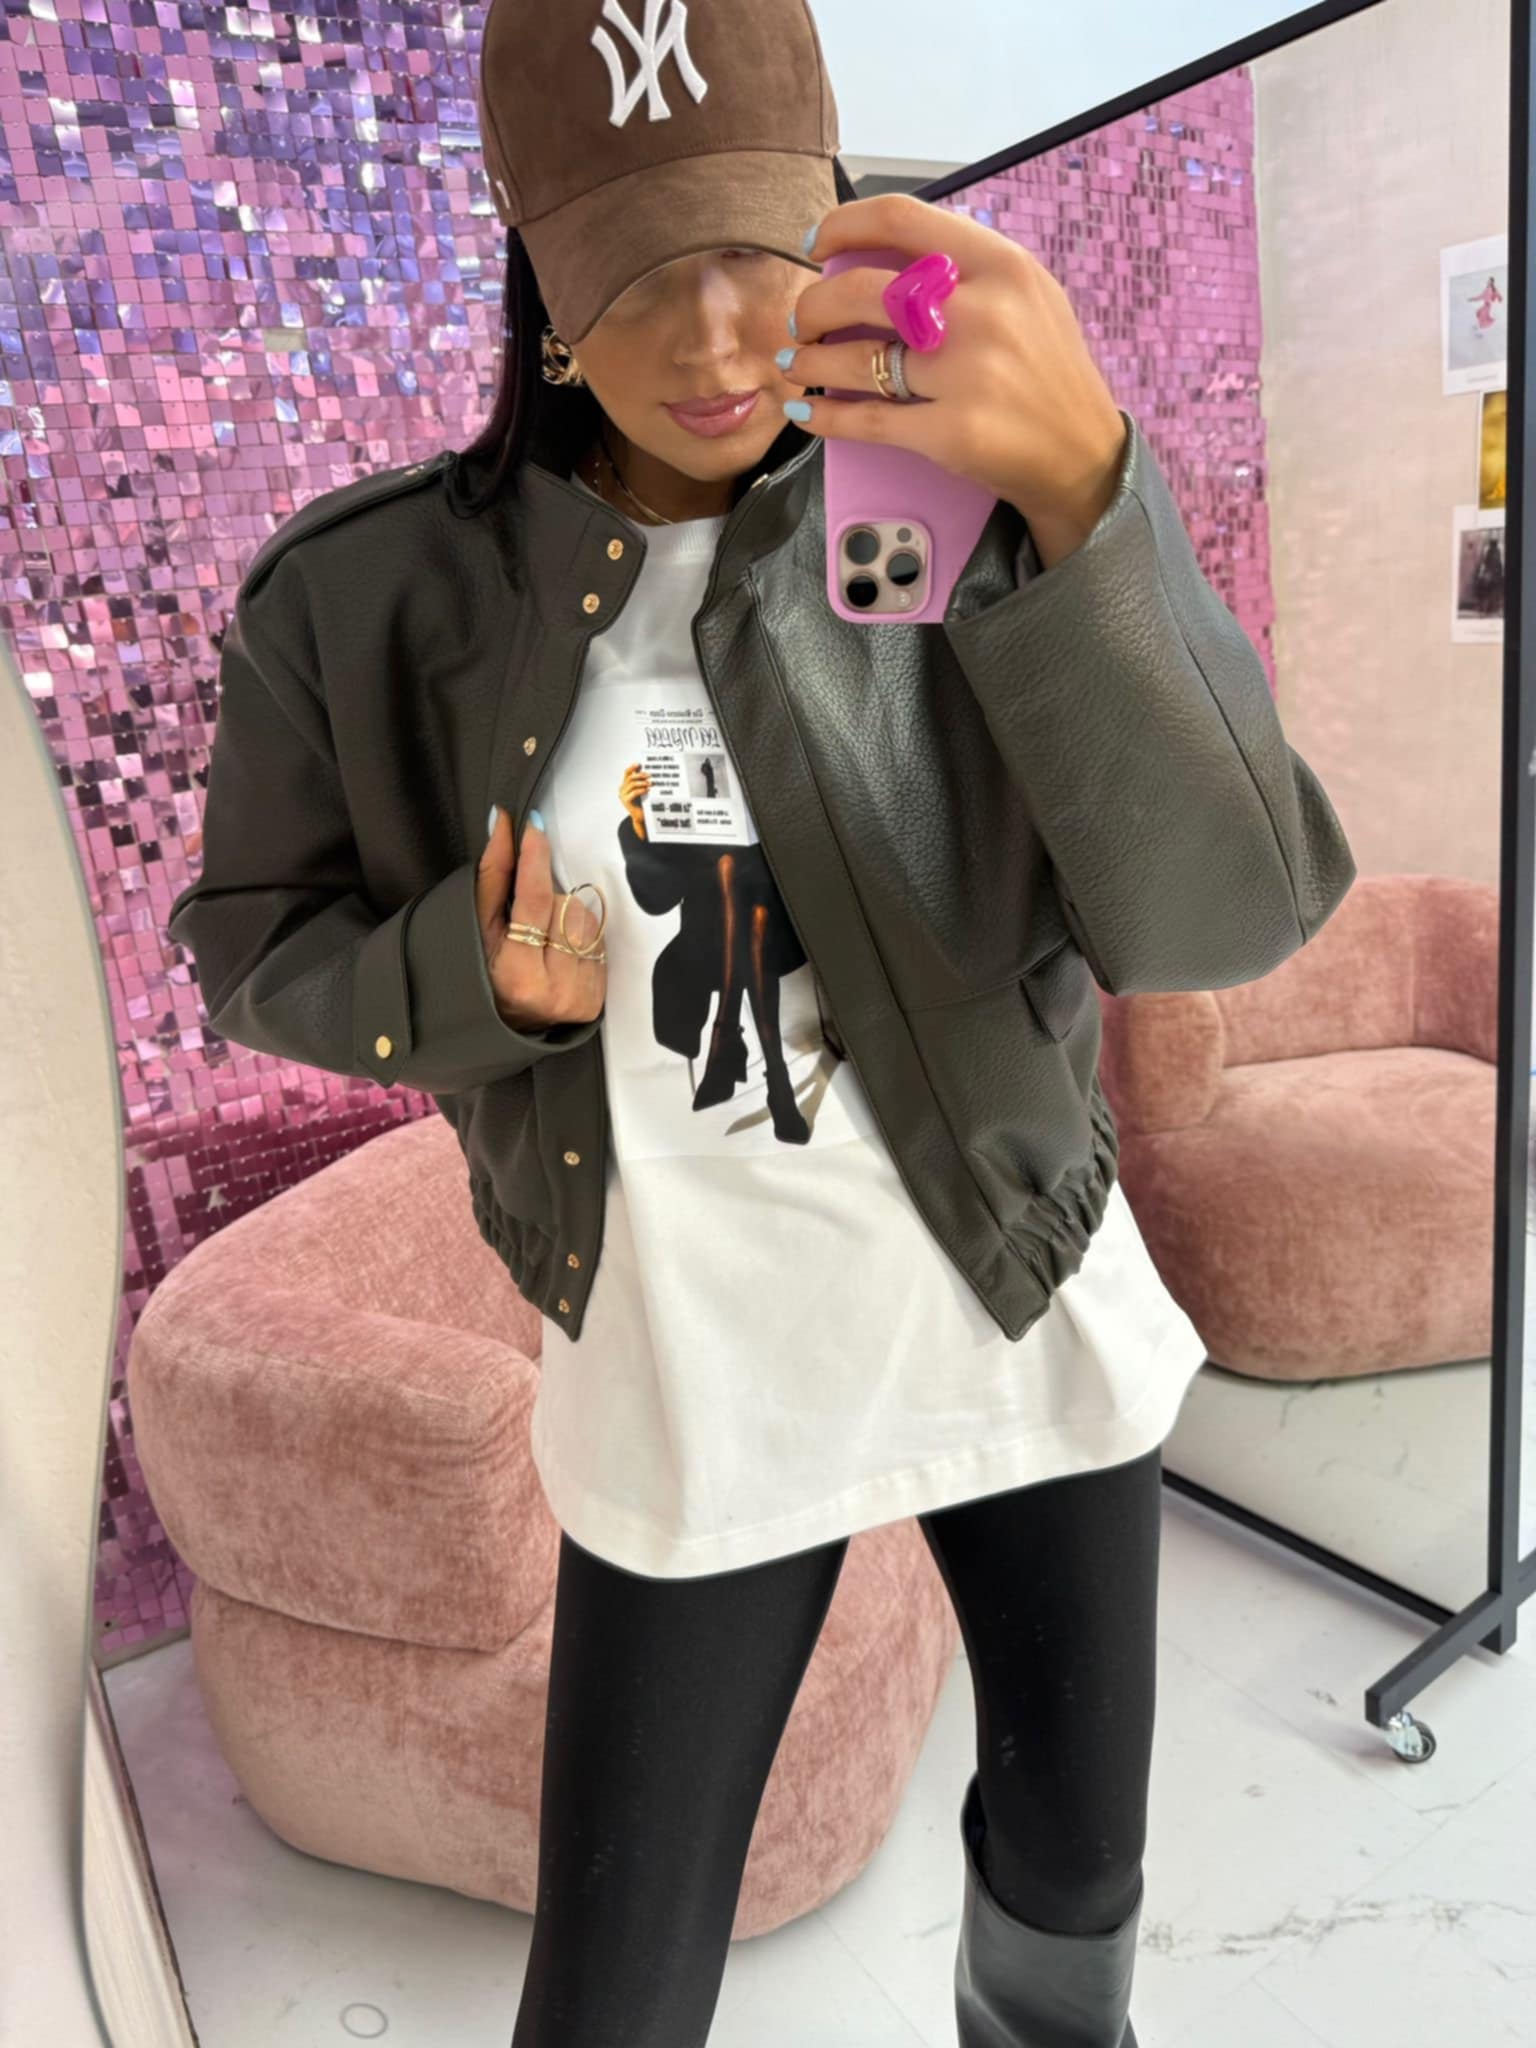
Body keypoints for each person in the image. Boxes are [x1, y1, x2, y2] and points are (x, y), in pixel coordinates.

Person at [167, 1, 1357, 2041]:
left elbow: (1219, 916)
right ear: (538, 276)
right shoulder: (366, 605)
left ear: (835, 208)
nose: (717, 334)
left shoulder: (959, 505)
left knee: (1076, 1871)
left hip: (1008, 1268)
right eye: (638, 267)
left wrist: (1091, 488)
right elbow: (252, 940)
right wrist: (468, 980)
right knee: (618, 1986)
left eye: (755, 244)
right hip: (694, 1350)